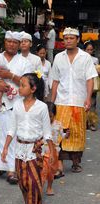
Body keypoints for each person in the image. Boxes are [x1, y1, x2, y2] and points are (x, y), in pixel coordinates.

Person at [1, 72, 55, 204]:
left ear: (33, 88)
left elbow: (47, 133)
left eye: (23, 85)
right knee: (23, 184)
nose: (20, 88)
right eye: (20, 84)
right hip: (19, 150)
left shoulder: (41, 107)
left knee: (33, 184)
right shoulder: (17, 105)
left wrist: (52, 151)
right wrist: (5, 148)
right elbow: (11, 129)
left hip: (35, 152)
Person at [0, 31, 33, 184]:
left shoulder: (24, 62)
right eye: (9, 41)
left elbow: (29, 83)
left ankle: (11, 169)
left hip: (16, 103)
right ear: (4, 42)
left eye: (15, 42)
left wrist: (9, 75)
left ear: (19, 45)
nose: (11, 44)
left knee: (12, 135)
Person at [51, 27, 98, 174]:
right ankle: (59, 163)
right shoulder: (58, 57)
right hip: (61, 101)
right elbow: (55, 81)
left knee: (77, 133)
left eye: (71, 38)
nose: (68, 41)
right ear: (63, 40)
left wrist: (88, 98)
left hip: (79, 101)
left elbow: (90, 79)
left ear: (78, 40)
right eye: (66, 38)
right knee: (60, 131)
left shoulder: (85, 57)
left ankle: (76, 162)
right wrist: (51, 103)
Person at [41, 102, 70, 195]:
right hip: (43, 151)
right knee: (43, 170)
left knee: (51, 172)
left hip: (54, 152)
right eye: (47, 116)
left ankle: (49, 187)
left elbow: (63, 136)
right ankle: (40, 188)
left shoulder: (58, 124)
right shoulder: (41, 124)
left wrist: (67, 135)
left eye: (51, 116)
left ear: (54, 114)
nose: (49, 119)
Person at [84, 40, 99, 131]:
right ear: (84, 50)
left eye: (91, 50)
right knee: (83, 103)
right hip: (82, 84)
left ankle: (92, 123)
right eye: (87, 50)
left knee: (92, 105)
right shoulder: (81, 59)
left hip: (93, 85)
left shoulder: (95, 60)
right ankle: (84, 123)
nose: (89, 52)